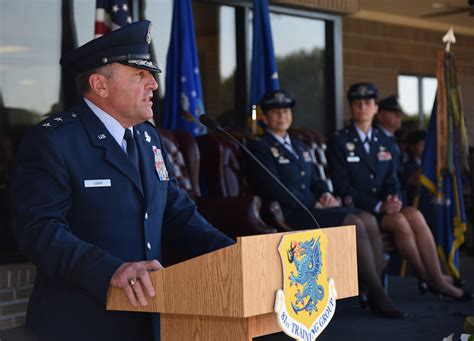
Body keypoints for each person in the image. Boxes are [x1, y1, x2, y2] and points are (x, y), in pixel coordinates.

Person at [10, 21, 234, 341]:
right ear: (100, 85)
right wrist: (109, 270)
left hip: (148, 317)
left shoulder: (147, 137)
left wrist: (231, 255)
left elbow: (176, 211)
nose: (153, 85)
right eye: (139, 75)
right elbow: (39, 229)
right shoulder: (54, 141)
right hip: (81, 323)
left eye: (150, 75)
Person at [247, 89, 406, 319]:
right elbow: (273, 187)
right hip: (291, 212)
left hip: (314, 207)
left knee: (367, 217)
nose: (282, 116)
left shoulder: (300, 145)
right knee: (353, 222)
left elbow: (316, 180)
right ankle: (378, 295)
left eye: (286, 111)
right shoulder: (259, 147)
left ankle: (374, 289)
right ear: (264, 117)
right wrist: (314, 202)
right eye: (275, 112)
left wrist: (325, 195)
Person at [327, 82, 471, 302]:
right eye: (357, 103)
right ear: (351, 108)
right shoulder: (340, 140)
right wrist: (379, 206)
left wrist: (393, 198)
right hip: (361, 209)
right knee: (401, 222)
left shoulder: (385, 140)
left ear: (376, 109)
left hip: (386, 206)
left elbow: (392, 179)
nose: (362, 107)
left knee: (414, 214)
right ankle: (433, 280)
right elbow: (342, 187)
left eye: (368, 103)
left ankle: (437, 276)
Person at [403, 130, 427, 206]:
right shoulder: (406, 163)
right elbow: (412, 180)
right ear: (412, 147)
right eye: (423, 145)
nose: (426, 148)